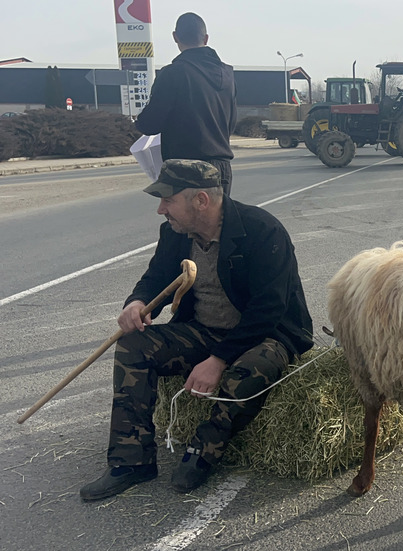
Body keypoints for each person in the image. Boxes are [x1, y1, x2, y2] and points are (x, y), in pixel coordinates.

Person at [80, 160, 313, 500]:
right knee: (134, 345)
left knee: (248, 370)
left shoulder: (263, 231)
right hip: (204, 329)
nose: (161, 210)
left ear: (201, 200)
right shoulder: (175, 233)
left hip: (268, 333)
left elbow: (269, 308)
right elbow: (156, 278)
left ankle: (202, 453)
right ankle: (132, 461)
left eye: (168, 200)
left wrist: (218, 360)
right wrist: (136, 302)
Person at [135, 13, 237, 195]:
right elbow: (231, 123)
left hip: (186, 171)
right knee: (221, 222)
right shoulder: (228, 75)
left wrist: (137, 121)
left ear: (175, 37)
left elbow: (150, 124)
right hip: (222, 168)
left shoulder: (172, 74)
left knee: (185, 223)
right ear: (206, 39)